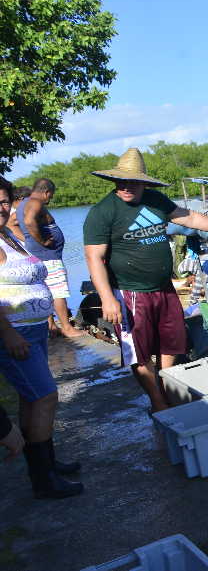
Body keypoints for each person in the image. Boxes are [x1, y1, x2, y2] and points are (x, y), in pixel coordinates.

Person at [83, 148, 208, 412]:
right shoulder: (103, 212)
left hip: (163, 289)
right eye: (121, 181)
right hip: (129, 293)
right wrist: (107, 299)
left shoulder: (155, 200)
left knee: (171, 341)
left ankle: (166, 384)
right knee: (137, 352)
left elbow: (191, 217)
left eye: (132, 181)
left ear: (144, 182)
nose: (126, 186)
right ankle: (158, 401)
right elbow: (94, 258)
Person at [0, 177, 83, 498]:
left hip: (33, 329)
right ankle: (43, 480)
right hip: (14, 334)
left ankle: (47, 464)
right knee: (46, 396)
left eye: (5, 201)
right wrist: (7, 333)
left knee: (31, 398)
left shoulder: (8, 234)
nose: (2, 207)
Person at [18, 178, 84, 338]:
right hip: (48, 256)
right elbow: (28, 221)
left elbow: (12, 224)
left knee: (45, 290)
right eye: (51, 195)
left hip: (37, 256)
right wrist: (42, 241)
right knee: (58, 292)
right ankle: (67, 328)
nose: (50, 199)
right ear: (46, 192)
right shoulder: (35, 202)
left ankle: (51, 326)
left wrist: (27, 241)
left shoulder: (22, 203)